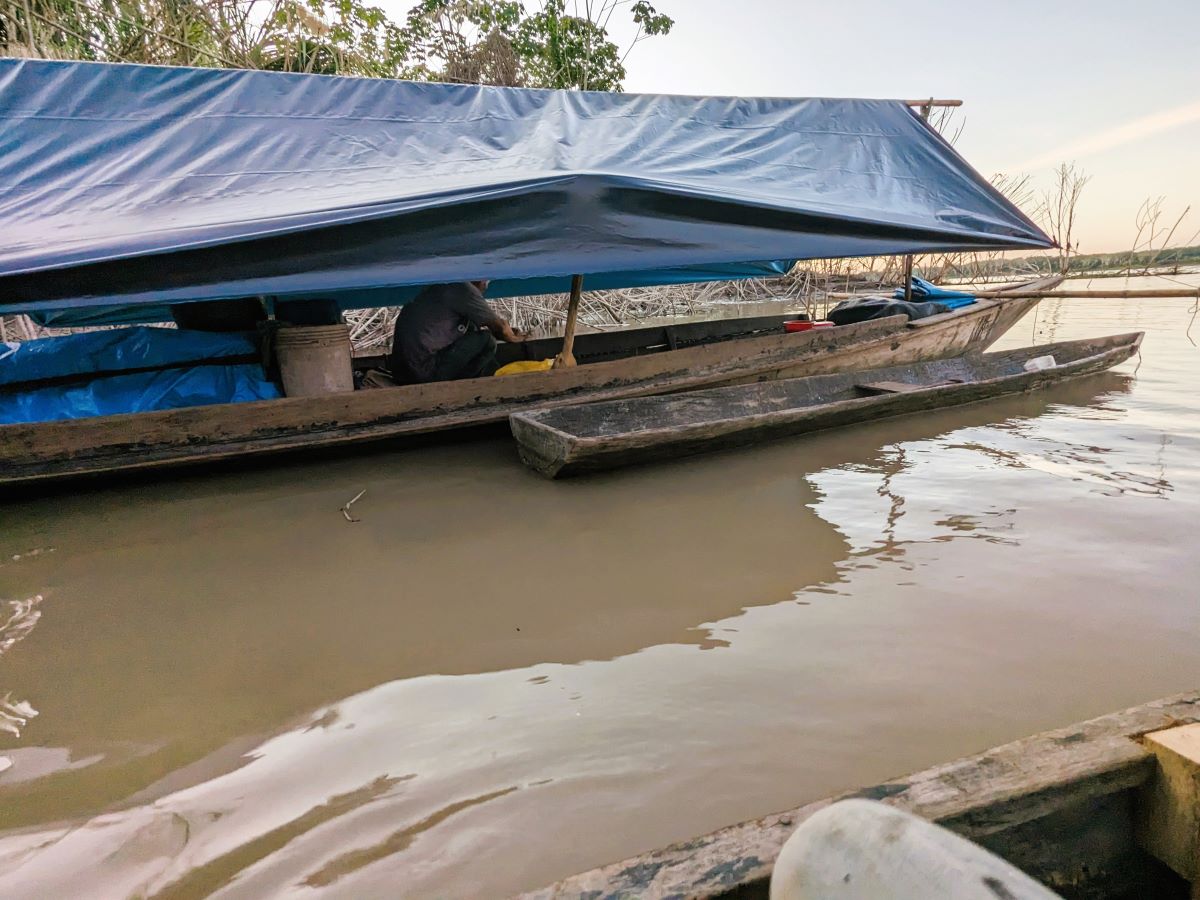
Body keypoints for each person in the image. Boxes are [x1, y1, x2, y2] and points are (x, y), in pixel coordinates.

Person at [389, 281, 525, 382]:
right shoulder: (463, 288)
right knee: (487, 340)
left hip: (401, 374)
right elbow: (499, 328)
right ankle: (465, 385)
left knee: (475, 332)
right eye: (486, 283)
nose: (485, 288)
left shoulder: (438, 288)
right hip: (423, 372)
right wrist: (517, 338)